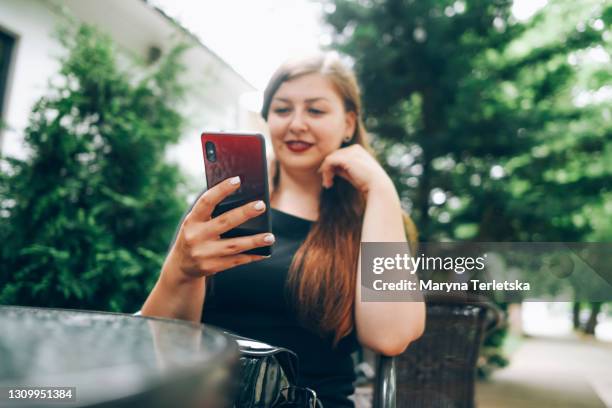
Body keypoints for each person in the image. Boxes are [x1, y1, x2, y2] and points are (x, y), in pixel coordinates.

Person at [141, 53, 425, 407]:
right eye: (282, 109)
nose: (296, 124)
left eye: (316, 111)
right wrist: (181, 269)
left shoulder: (370, 219)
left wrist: (381, 191)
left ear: (349, 123)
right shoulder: (225, 200)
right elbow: (159, 340)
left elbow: (390, 336)